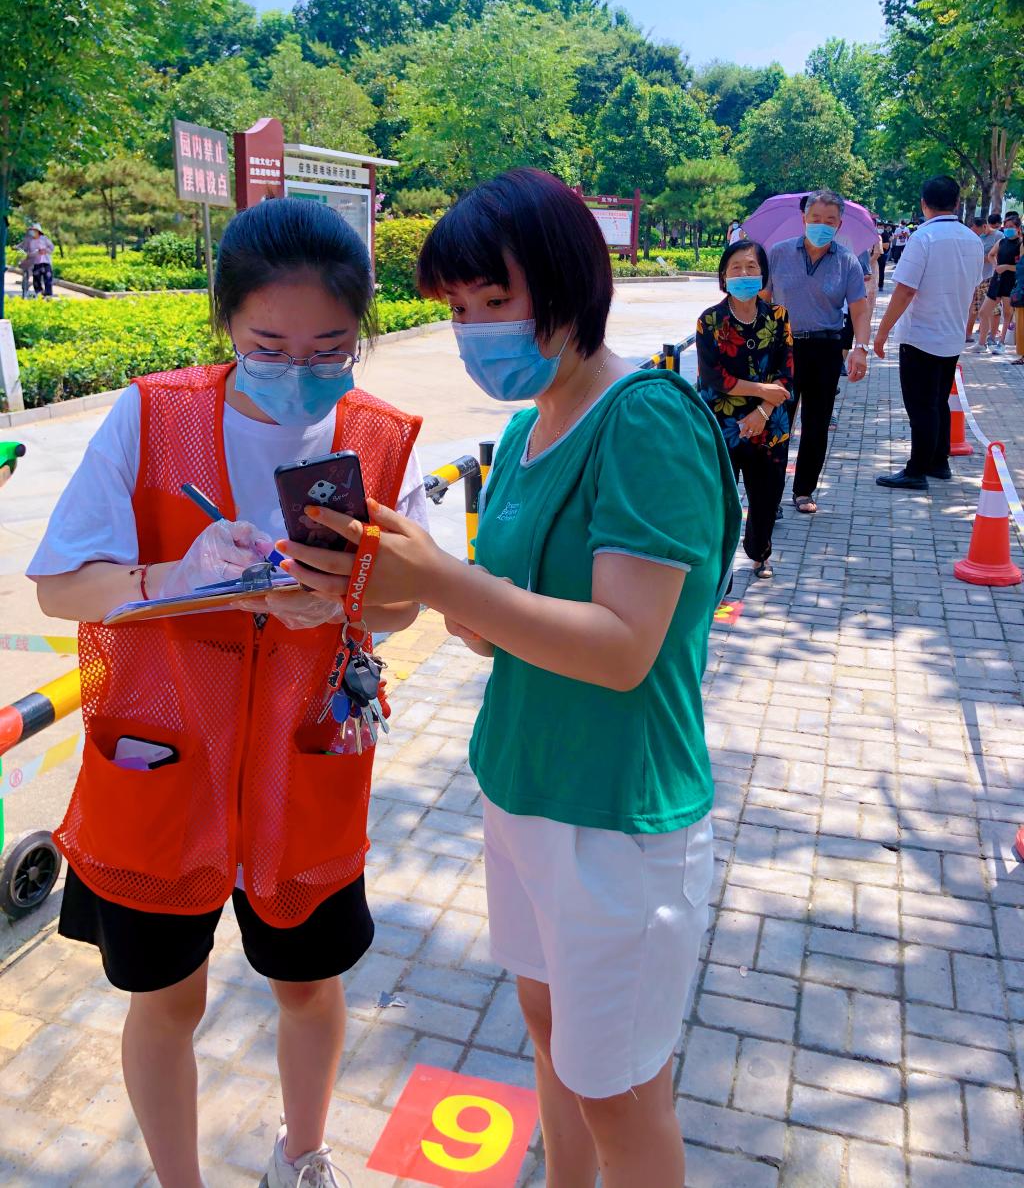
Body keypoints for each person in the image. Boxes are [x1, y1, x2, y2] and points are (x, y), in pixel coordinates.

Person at [280, 168, 741, 1188]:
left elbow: (624, 648)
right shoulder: (531, 427)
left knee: (621, 1095)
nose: (473, 328)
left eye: (494, 299)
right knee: (551, 1036)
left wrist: (446, 580)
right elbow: (500, 624)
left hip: (615, 814)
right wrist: (414, 588)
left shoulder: (644, 419)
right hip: (522, 785)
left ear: (570, 283)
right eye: (455, 308)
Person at [29, 197, 427, 1188]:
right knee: (168, 998)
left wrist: (345, 603)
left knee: (308, 985)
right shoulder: (152, 416)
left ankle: (304, 1152)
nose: (299, 371)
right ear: (226, 327)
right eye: (269, 347)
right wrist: (175, 575)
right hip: (165, 769)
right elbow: (59, 585)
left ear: (361, 331)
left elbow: (409, 603)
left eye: (329, 349)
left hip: (305, 771)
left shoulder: (379, 439)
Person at [874, 175, 984, 490]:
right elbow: (973, 286)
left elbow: (905, 290)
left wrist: (882, 332)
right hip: (951, 334)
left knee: (921, 405)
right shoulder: (972, 239)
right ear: (957, 203)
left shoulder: (923, 238)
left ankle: (916, 469)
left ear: (924, 203)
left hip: (921, 335)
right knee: (938, 401)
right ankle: (938, 460)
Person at [766, 189, 870, 515]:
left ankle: (803, 490)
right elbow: (763, 301)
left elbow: (860, 311)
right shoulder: (779, 253)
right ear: (804, 219)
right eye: (816, 219)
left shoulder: (847, 262)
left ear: (839, 224)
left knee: (816, 423)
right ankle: (769, 494)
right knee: (777, 422)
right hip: (783, 348)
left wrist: (860, 349)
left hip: (825, 349)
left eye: (829, 220)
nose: (822, 225)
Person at [696, 240, 793, 579]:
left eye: (751, 267)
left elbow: (786, 373)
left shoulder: (778, 317)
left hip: (770, 423)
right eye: (735, 267)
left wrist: (762, 410)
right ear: (724, 275)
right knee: (720, 498)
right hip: (721, 423)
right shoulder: (710, 320)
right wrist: (761, 390)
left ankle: (759, 551)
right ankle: (718, 569)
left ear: (763, 274)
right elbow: (714, 377)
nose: (744, 273)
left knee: (767, 496)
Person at [979, 213, 1022, 352]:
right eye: (1006, 226)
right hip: (997, 280)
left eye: (1011, 226)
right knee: (983, 312)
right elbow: (991, 255)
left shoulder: (1021, 244)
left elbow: (1021, 266)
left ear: (1018, 228)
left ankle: (1001, 342)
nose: (1008, 229)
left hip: (1012, 281)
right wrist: (995, 265)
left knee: (1007, 313)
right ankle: (981, 343)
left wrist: (1006, 267)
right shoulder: (1001, 242)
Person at [965, 214, 1001, 343]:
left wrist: (983, 258)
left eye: (977, 231)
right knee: (973, 308)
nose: (976, 234)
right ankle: (967, 334)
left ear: (984, 226)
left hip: (990, 277)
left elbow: (995, 256)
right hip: (976, 277)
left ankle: (992, 336)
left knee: (993, 309)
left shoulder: (998, 236)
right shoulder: (977, 237)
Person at [15, 222, 54, 299]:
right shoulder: (30, 241)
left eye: (34, 230)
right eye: (31, 230)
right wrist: (17, 247)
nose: (32, 232)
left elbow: (51, 247)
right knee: (36, 278)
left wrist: (45, 250)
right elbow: (24, 248)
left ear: (38, 231)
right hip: (36, 262)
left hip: (46, 261)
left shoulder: (44, 239)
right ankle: (39, 292)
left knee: (48, 277)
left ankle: (48, 294)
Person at [878, 223, 894, 292]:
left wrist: (877, 244)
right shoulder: (873, 233)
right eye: (878, 227)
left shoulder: (885, 234)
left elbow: (887, 245)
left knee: (881, 270)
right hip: (873, 254)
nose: (879, 229)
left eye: (881, 227)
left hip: (882, 254)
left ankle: (880, 285)